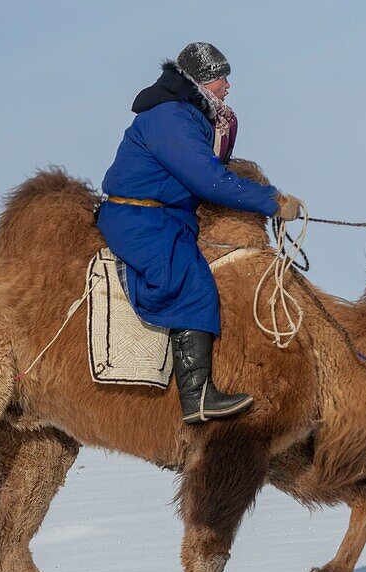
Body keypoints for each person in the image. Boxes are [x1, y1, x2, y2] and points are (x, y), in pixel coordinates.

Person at [97, 42, 302, 425]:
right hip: (141, 219)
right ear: (203, 80)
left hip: (165, 218)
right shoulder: (170, 118)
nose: (227, 86)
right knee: (190, 283)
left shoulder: (187, 115)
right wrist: (270, 201)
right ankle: (197, 397)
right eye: (222, 78)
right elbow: (207, 179)